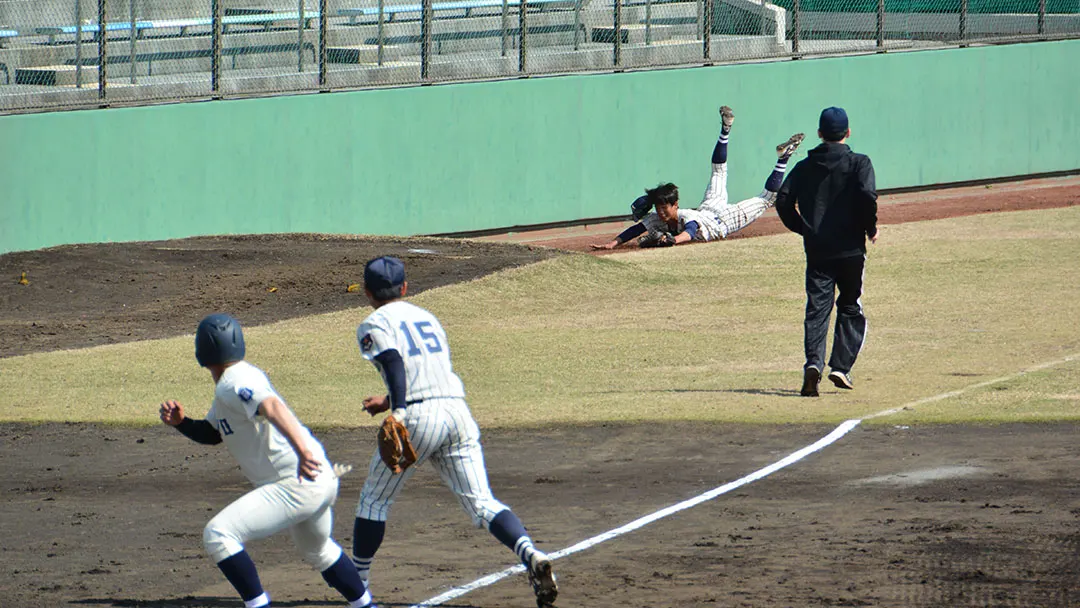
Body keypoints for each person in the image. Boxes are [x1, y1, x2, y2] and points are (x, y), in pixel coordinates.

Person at [350, 256, 559, 608]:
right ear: (405, 287)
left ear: (367, 292)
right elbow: (424, 370)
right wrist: (388, 401)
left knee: (374, 500)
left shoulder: (372, 323)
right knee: (482, 503)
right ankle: (531, 554)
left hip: (417, 416)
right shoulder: (428, 317)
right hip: (456, 411)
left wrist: (398, 410)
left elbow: (394, 362)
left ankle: (356, 585)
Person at [159, 313, 374, 608]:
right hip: (319, 478)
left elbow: (271, 406)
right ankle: (366, 605)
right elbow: (212, 433)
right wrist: (182, 422)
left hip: (296, 480)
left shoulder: (234, 383)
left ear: (202, 353)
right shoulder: (234, 383)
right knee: (318, 551)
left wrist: (302, 452)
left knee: (219, 534)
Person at [591, 105, 804, 250]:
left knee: (767, 198)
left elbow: (690, 232)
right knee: (718, 171)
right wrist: (613, 243)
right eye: (658, 207)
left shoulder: (684, 216)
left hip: (724, 220)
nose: (660, 212)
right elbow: (636, 229)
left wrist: (674, 240)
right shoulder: (659, 218)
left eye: (665, 207)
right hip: (708, 207)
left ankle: (783, 158)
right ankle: (726, 129)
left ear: (676, 205)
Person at [774, 107, 878, 397]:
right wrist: (870, 228)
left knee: (817, 310)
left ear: (820, 134)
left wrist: (804, 228)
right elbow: (868, 196)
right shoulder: (860, 163)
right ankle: (840, 367)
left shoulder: (805, 167)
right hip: (851, 249)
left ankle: (813, 364)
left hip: (818, 249)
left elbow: (782, 200)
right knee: (849, 305)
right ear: (848, 132)